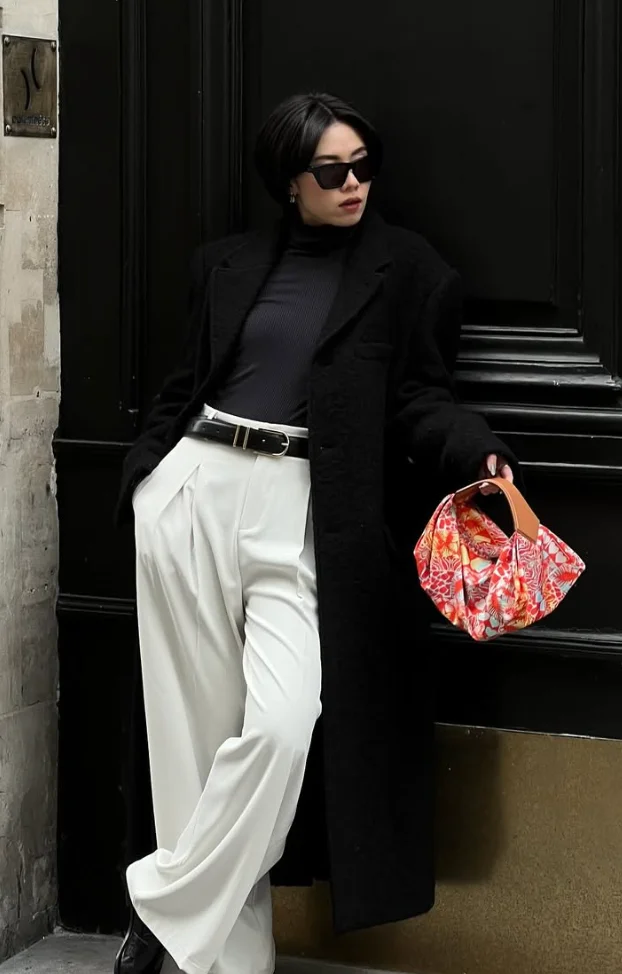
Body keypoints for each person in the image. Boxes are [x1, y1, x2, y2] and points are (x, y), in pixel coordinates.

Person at [113, 92, 515, 974]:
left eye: (365, 164)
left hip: (304, 510)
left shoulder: (408, 271)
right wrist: (147, 482)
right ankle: (219, 960)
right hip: (194, 492)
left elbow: (419, 397)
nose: (354, 183)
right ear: (289, 182)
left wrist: (475, 451)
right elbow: (184, 384)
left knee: (283, 727)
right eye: (332, 171)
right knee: (193, 745)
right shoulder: (224, 265)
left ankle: (163, 905)